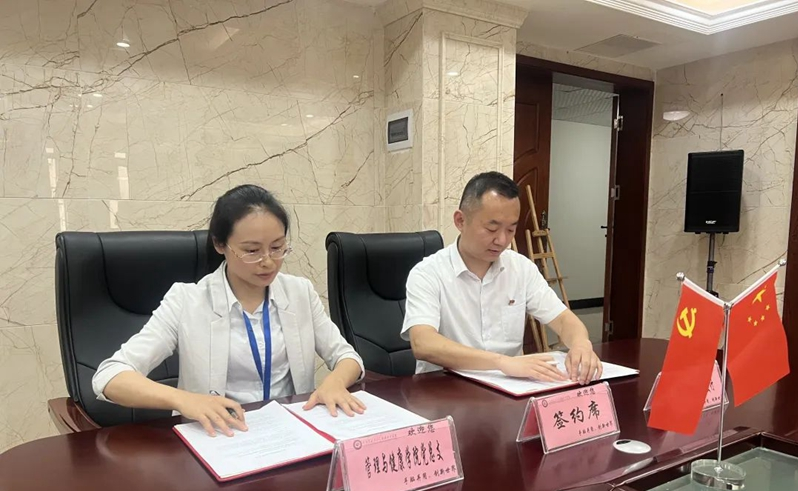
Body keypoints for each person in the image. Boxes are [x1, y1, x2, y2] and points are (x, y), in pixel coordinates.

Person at [93, 184, 366, 437]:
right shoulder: (187, 301)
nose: (268, 262)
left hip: (289, 434)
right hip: (221, 437)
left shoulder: (299, 293)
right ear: (220, 244)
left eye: (277, 247)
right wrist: (184, 400)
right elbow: (109, 376)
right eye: (252, 251)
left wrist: (334, 382)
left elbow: (347, 357)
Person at [401, 171, 602, 384]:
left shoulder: (521, 269)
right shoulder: (427, 273)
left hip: (511, 389)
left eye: (511, 230)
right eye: (492, 228)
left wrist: (581, 345)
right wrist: (501, 362)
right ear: (460, 221)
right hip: (445, 389)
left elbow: (563, 320)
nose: (502, 240)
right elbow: (423, 343)